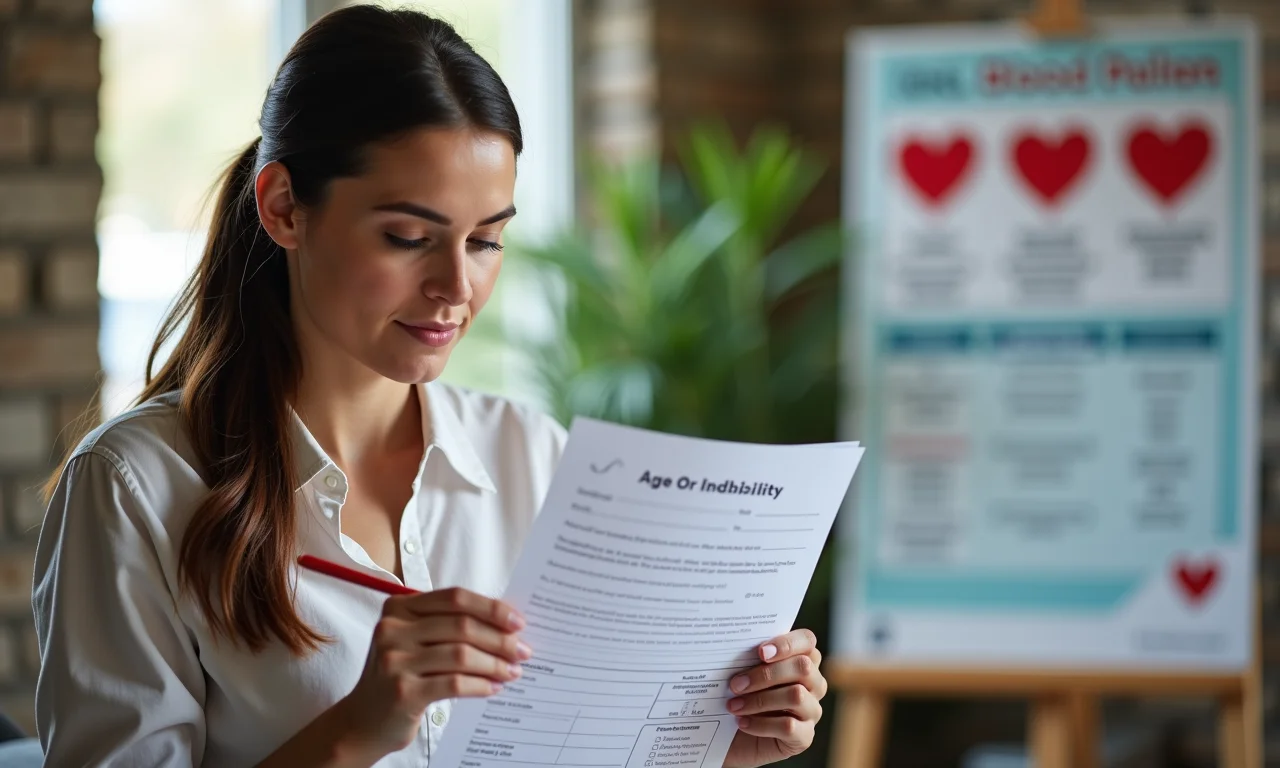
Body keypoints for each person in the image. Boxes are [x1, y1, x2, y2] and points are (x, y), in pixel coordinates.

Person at [31, 6, 828, 767]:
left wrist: (709, 743)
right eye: (408, 237)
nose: (456, 286)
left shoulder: (532, 457)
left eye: (486, 241)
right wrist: (356, 731)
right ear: (283, 208)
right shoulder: (137, 485)